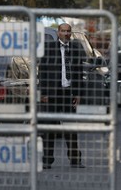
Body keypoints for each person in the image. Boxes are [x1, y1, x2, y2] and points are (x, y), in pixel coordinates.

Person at [38, 23, 85, 169]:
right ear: (58, 32)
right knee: (50, 129)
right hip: (53, 94)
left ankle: (75, 159)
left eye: (68, 31)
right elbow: (43, 72)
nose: (66, 34)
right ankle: (47, 160)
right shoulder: (49, 48)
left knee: (70, 128)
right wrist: (44, 93)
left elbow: (79, 73)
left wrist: (78, 93)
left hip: (68, 92)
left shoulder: (75, 49)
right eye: (63, 31)